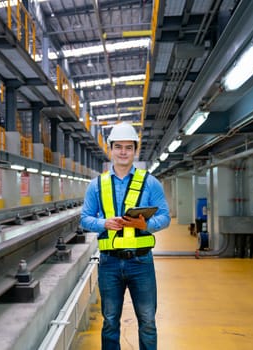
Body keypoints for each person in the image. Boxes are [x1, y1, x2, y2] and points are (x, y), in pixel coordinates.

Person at [80, 122, 171, 350]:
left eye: (128, 147)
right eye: (118, 147)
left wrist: (146, 224)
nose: (123, 152)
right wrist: (104, 223)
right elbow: (84, 218)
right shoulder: (96, 185)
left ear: (135, 150)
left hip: (141, 262)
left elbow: (166, 217)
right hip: (110, 262)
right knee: (110, 321)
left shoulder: (150, 183)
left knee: (148, 322)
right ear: (111, 149)